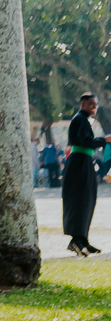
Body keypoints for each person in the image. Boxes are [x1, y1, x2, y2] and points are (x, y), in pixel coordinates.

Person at [62, 92, 111, 256]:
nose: (94, 107)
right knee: (79, 199)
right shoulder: (80, 119)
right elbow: (87, 142)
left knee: (87, 199)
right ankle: (76, 241)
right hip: (78, 163)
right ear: (83, 104)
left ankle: (83, 240)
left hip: (85, 161)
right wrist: (105, 139)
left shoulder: (84, 120)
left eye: (96, 105)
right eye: (91, 104)